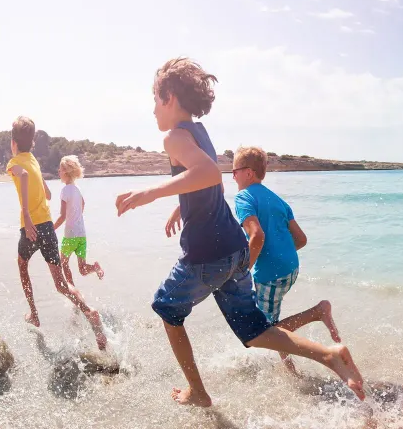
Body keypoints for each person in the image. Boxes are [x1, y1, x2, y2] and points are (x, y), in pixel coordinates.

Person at [115, 57, 364, 407]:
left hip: (207, 252)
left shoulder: (174, 137)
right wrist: (180, 206)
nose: (153, 109)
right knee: (255, 331)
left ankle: (198, 391)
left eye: (155, 100)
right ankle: (329, 355)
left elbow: (209, 175)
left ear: (170, 97)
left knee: (166, 309)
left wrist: (148, 193)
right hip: (234, 250)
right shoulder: (199, 133)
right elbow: (204, 182)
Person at [231, 146, 341, 371]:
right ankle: (289, 367)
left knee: (262, 332)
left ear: (249, 173)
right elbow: (301, 239)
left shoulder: (244, 197)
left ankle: (317, 312)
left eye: (235, 171)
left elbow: (257, 235)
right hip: (290, 268)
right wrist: (281, 254)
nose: (233, 177)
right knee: (271, 322)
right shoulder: (278, 200)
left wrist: (243, 272)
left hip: (270, 274)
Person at [6, 117, 107, 350]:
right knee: (61, 283)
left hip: (31, 228)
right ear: (32, 142)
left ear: (13, 142)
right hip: (47, 227)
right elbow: (48, 194)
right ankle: (89, 311)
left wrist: (27, 215)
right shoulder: (33, 161)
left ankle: (34, 314)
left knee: (22, 266)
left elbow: (21, 176)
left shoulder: (14, 163)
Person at [54, 155, 104, 283]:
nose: (58, 172)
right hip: (81, 234)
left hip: (70, 236)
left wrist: (51, 228)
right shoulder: (77, 189)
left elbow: (63, 216)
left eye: (60, 169)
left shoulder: (65, 190)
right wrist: (77, 217)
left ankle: (73, 291)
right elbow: (83, 203)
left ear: (65, 171)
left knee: (64, 263)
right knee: (82, 269)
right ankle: (95, 267)